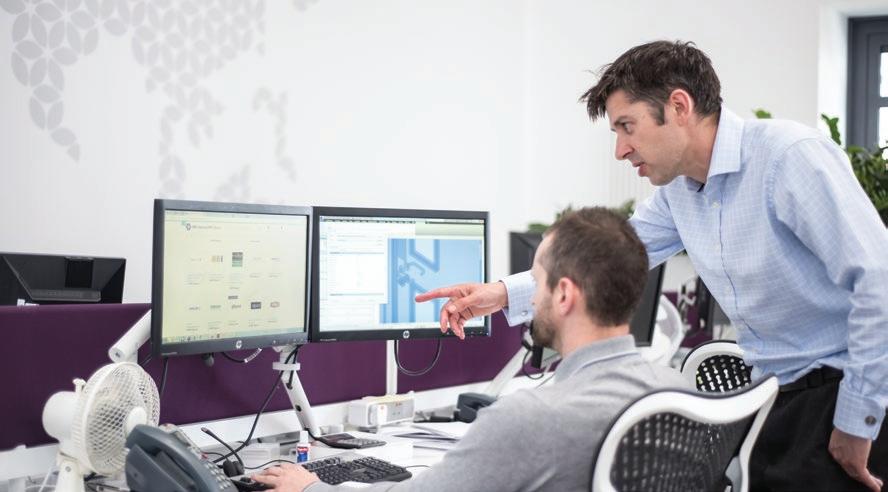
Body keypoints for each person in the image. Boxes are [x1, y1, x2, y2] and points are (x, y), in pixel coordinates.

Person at [416, 41, 888, 491]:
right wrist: (499, 294)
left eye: (628, 126)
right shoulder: (680, 194)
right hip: (773, 398)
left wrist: (858, 419)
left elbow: (879, 280)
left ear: (679, 106)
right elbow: (602, 256)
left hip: (844, 394)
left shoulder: (788, 157)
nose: (620, 150)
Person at [250, 208, 686, 492]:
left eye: (536, 282)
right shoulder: (678, 392)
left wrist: (310, 487)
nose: (531, 299)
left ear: (564, 295)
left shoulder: (532, 416)